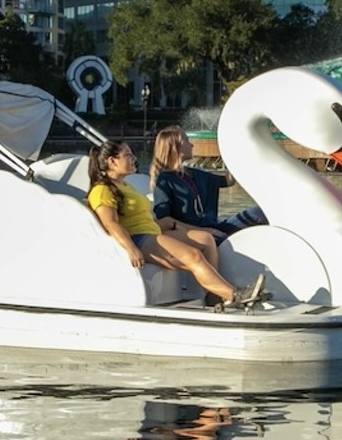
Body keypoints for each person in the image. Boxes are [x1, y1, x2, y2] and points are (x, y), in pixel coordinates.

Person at [86, 139, 266, 310]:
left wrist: (174, 226)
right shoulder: (102, 190)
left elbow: (143, 217)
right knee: (193, 255)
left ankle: (213, 296)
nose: (134, 158)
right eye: (128, 154)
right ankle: (235, 296)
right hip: (138, 238)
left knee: (205, 239)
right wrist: (131, 248)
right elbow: (111, 224)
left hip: (152, 232)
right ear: (112, 161)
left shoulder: (125, 186)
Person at [149, 126, 267, 239]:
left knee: (259, 213)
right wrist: (203, 232)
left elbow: (228, 181)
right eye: (186, 140)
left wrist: (237, 157)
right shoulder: (164, 180)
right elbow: (164, 221)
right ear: (176, 147)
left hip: (213, 227)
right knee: (227, 241)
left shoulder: (193, 174)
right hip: (192, 235)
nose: (192, 145)